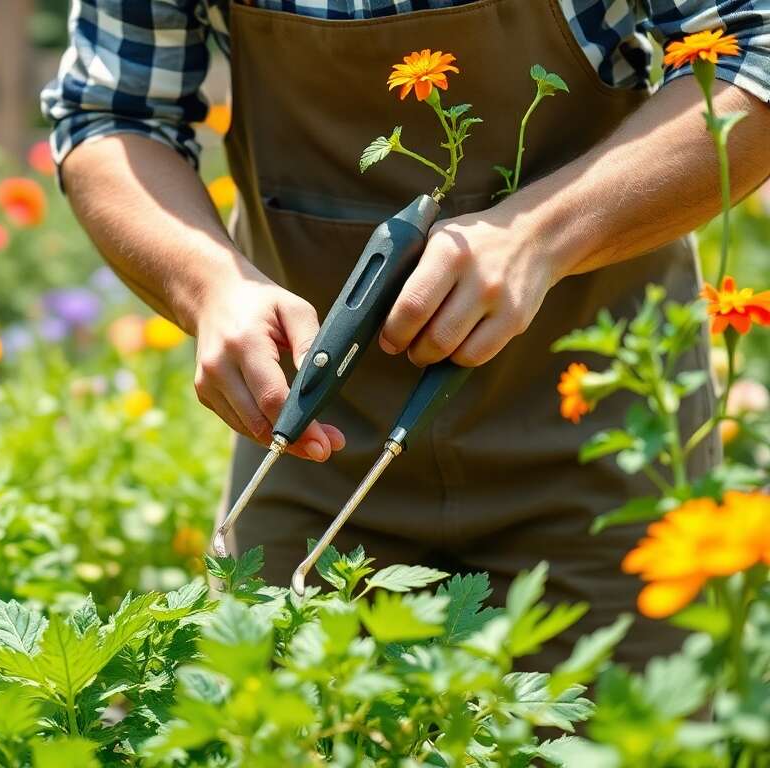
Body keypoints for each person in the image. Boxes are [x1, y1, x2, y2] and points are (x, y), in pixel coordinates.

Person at [42, 0, 770, 666]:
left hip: (605, 448)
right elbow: (109, 114)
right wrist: (209, 286)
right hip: (312, 441)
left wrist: (543, 235)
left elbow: (756, 52)